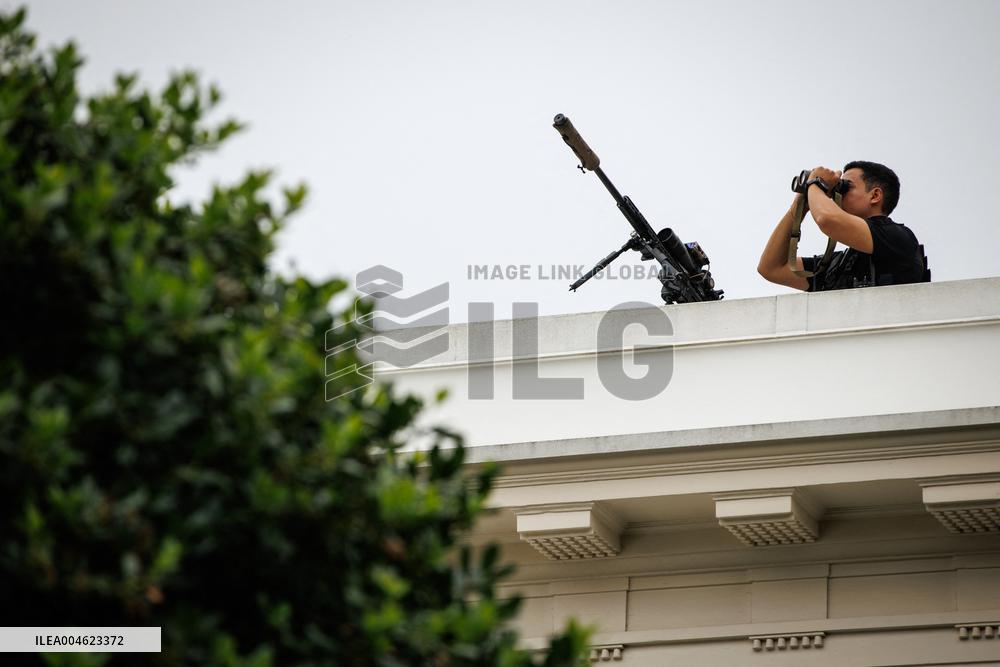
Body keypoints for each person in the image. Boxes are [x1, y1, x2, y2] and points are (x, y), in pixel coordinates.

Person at [757, 161, 927, 292]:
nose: (838, 193)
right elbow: (771, 268)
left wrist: (816, 185)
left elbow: (826, 219)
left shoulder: (897, 237)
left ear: (875, 195)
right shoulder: (835, 266)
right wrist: (799, 207)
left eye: (846, 187)